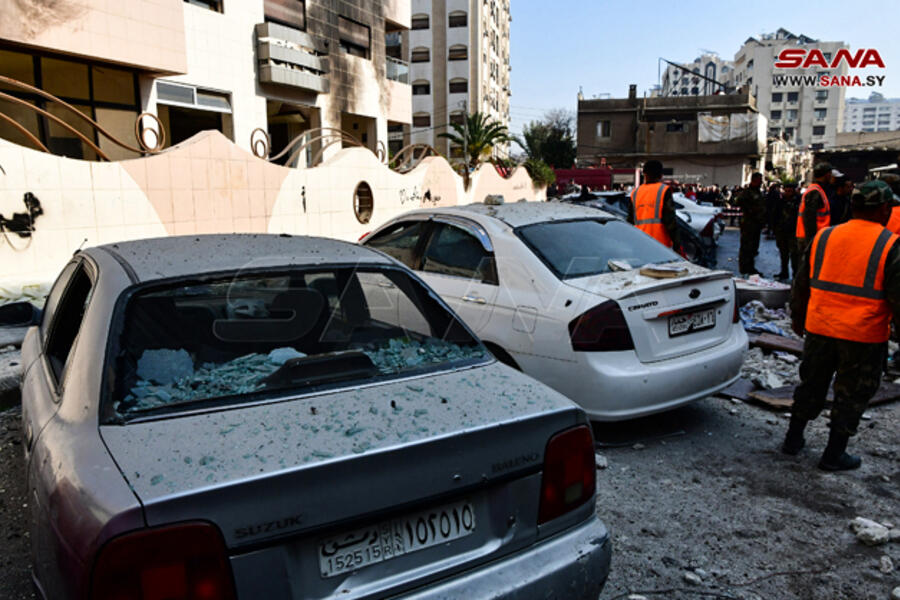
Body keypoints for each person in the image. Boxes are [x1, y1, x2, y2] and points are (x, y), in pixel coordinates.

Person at [784, 181, 900, 471]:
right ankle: (833, 454)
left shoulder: (825, 236)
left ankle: (793, 440)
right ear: (884, 209)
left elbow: (801, 282)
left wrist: (798, 318)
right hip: (862, 336)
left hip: (820, 328)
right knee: (851, 394)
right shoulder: (890, 245)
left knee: (811, 384)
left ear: (854, 206)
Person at [627, 160, 679, 249]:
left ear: (644, 174)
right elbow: (670, 221)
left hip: (640, 243)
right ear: (660, 175)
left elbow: (630, 222)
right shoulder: (663, 190)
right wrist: (677, 244)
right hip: (660, 245)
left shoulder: (635, 193)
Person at [796, 163, 834, 252]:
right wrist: (811, 243)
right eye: (830, 173)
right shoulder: (815, 192)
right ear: (826, 174)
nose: (831, 176)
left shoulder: (817, 190)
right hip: (810, 238)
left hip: (814, 237)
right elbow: (809, 219)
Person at [737, 172, 766, 276]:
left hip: (756, 224)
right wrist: (750, 210)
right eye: (759, 179)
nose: (761, 182)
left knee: (754, 247)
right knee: (746, 247)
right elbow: (739, 201)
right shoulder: (747, 192)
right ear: (754, 180)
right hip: (748, 224)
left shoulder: (758, 192)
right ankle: (744, 268)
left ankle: (750, 267)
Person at [774, 181, 800, 280]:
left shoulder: (798, 201)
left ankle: (795, 274)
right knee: (783, 254)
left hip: (793, 232)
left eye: (790, 191)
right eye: (786, 191)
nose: (788, 193)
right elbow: (775, 214)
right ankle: (784, 272)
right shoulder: (780, 201)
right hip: (782, 231)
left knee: (794, 255)